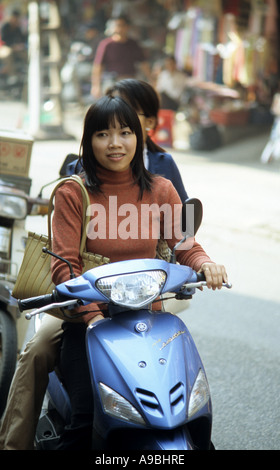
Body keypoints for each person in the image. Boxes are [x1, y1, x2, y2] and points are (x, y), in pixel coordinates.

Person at [0, 91, 224, 451]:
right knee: (84, 416)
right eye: (103, 134)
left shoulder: (162, 189)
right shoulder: (73, 192)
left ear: (139, 136)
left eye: (125, 133)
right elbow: (65, 266)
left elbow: (186, 245)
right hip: (85, 318)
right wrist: (91, 317)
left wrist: (206, 266)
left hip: (146, 316)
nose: (115, 143)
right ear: (88, 141)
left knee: (187, 410)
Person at [68, 78, 188, 203]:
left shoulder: (164, 166)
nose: (115, 144)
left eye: (128, 111)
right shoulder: (80, 170)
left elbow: (185, 214)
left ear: (150, 122)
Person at [91, 15, 150, 98]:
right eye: (116, 25)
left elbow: (143, 64)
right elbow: (98, 66)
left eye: (121, 25)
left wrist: (151, 80)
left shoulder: (133, 44)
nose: (119, 28)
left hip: (130, 81)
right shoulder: (106, 44)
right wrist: (96, 86)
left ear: (127, 27)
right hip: (113, 81)